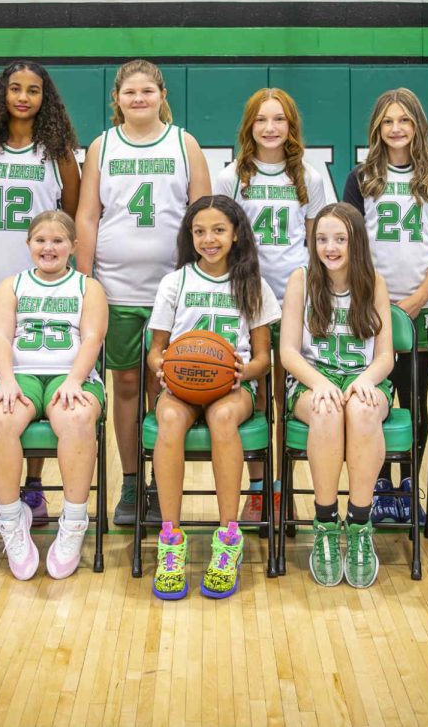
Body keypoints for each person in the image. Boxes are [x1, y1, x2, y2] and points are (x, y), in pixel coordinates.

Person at [75, 59, 211, 526]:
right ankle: (132, 481)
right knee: (128, 384)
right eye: (130, 92)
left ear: (162, 95)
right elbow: (87, 215)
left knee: (164, 385)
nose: (139, 99)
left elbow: (204, 214)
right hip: (115, 288)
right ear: (116, 98)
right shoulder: (103, 146)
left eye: (147, 91)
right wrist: (85, 279)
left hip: (172, 289)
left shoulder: (184, 144)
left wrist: (197, 278)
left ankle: (158, 478)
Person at [147, 196, 280, 600]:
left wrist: (243, 372)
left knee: (223, 418)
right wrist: (162, 367)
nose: (209, 239)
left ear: (236, 234)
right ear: (190, 236)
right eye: (200, 231)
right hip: (183, 385)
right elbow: (156, 350)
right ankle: (170, 539)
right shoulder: (175, 282)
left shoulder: (253, 285)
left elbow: (263, 358)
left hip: (233, 386)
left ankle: (228, 537)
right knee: (170, 419)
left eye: (219, 230)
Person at [0, 61, 82, 527]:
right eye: (15, 88)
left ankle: (33, 485)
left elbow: (69, 219)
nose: (22, 97)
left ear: (44, 98)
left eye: (33, 90)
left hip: (44, 287)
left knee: (41, 376)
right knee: (5, 391)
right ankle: (6, 489)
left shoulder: (57, 154)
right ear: (2, 94)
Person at [212, 87, 327, 525]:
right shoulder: (231, 178)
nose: (270, 127)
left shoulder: (309, 177)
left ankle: (285, 488)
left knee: (286, 397)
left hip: (294, 299)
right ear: (249, 126)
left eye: (279, 119)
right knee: (257, 397)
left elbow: (316, 243)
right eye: (261, 119)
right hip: (248, 300)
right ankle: (259, 488)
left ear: (291, 125)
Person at [343, 88, 428, 525]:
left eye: (404, 120)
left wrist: (420, 297)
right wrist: (373, 298)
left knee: (414, 401)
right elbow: (351, 242)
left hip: (419, 308)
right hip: (370, 309)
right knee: (372, 399)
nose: (396, 128)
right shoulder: (361, 177)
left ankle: (408, 485)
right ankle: (377, 484)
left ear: (418, 126)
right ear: (376, 127)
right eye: (388, 121)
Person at [0, 211, 107, 581]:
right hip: (19, 373)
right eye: (40, 240)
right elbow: (0, 337)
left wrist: (75, 379)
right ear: (28, 244)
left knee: (77, 416)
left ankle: (73, 521)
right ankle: (11, 519)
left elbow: (92, 339)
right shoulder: (11, 286)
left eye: (57, 241)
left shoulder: (88, 287)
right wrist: (6, 381)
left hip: (71, 372)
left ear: (73, 246)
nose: (48, 248)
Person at [281, 202, 394, 589]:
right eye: (322, 239)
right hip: (314, 378)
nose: (330, 247)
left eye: (340, 239)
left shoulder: (374, 282)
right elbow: (288, 352)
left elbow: (385, 356)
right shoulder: (301, 280)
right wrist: (319, 382)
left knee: (362, 411)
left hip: (364, 377)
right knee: (327, 410)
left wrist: (366, 381)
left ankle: (360, 525)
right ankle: (326, 523)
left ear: (356, 242)